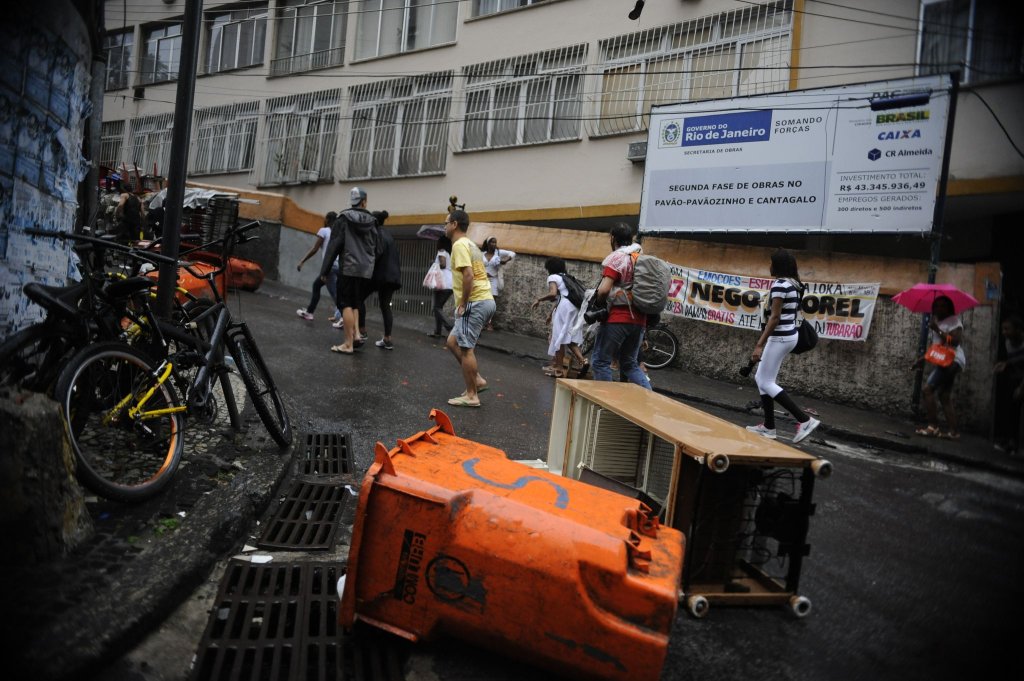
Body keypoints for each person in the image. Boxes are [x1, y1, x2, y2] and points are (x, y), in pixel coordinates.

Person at [746, 249, 821, 443]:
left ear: (777, 266)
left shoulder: (780, 285)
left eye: (771, 263)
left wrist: (759, 345)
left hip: (779, 337)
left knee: (765, 381)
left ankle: (805, 420)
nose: (769, 266)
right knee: (762, 378)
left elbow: (775, 317)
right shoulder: (794, 284)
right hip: (789, 336)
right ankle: (769, 427)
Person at [589, 222, 650, 390]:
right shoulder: (641, 256)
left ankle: (605, 403)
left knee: (601, 361)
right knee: (630, 363)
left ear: (613, 238)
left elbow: (604, 290)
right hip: (640, 320)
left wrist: (599, 306)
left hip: (618, 318)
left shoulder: (617, 258)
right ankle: (650, 398)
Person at [444, 209, 495, 407]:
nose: (445, 226)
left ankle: (472, 395)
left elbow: (468, 275)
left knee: (466, 349)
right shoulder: (471, 244)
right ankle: (478, 380)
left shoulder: (459, 245)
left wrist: (463, 303)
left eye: (446, 223)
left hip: (475, 301)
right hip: (485, 300)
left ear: (455, 224)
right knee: (452, 342)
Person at [320, 187, 378, 355]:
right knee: (356, 302)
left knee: (345, 303)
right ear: (364, 201)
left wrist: (325, 269)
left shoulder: (343, 219)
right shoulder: (373, 221)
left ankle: (348, 343)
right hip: (365, 269)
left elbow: (334, 246)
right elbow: (378, 247)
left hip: (348, 266)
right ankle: (356, 335)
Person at [911, 295, 966, 440]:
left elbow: (955, 341)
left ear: (949, 308)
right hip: (946, 361)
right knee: (944, 396)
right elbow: (937, 347)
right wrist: (922, 360)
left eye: (943, 306)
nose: (939, 308)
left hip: (952, 360)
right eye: (937, 306)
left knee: (927, 390)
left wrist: (937, 330)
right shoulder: (939, 322)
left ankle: (932, 426)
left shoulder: (954, 321)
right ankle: (954, 432)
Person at [532, 257, 586, 378]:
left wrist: (538, 299)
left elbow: (553, 294)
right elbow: (562, 296)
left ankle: (559, 369)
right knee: (567, 336)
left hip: (564, 308)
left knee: (558, 337)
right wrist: (552, 313)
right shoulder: (567, 277)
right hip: (574, 308)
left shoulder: (553, 277)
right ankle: (582, 361)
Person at [296, 211, 340, 323]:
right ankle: (310, 312)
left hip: (329, 266)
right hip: (339, 266)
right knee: (317, 285)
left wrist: (302, 261)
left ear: (327, 219)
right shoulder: (338, 233)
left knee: (335, 294)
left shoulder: (324, 231)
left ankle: (345, 317)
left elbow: (315, 249)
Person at [367, 210, 401, 351]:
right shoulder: (388, 235)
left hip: (381, 275)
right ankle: (387, 339)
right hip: (393, 276)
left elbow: (376, 253)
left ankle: (359, 332)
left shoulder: (376, 234)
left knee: (357, 298)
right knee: (385, 306)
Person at [993, 314, 1024, 454]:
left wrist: (1021, 388)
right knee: (1011, 409)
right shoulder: (1008, 343)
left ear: (1018, 330)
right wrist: (1005, 365)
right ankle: (1012, 442)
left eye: (1007, 329)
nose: (1004, 332)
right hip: (1017, 378)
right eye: (1003, 329)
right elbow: (1016, 362)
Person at [481, 236, 515, 330]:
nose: (494, 244)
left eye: (495, 242)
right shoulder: (481, 254)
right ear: (487, 244)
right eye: (492, 242)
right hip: (482, 280)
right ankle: (480, 322)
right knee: (481, 301)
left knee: (491, 302)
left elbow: (512, 253)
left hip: (493, 280)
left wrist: (506, 260)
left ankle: (489, 323)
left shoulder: (499, 253)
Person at [430, 235, 455, 338]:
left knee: (436, 308)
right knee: (438, 307)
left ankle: (450, 326)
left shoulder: (441, 251)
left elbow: (443, 265)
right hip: (450, 283)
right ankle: (437, 331)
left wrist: (433, 263)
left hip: (442, 282)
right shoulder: (450, 253)